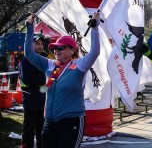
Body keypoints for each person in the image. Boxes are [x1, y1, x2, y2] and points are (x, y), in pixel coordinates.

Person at [24, 13, 100, 148]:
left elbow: (94, 52)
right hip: (50, 123)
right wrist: (30, 27)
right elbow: (29, 54)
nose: (56, 51)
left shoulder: (79, 65)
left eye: (60, 48)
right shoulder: (50, 64)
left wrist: (94, 27)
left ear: (72, 50)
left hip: (71, 122)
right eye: (54, 48)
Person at [19, 33, 47, 148]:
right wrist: (45, 78)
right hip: (30, 97)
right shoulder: (26, 60)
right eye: (37, 44)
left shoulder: (44, 58)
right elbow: (28, 78)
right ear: (30, 45)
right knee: (29, 126)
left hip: (42, 97)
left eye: (41, 44)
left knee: (42, 125)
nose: (40, 46)